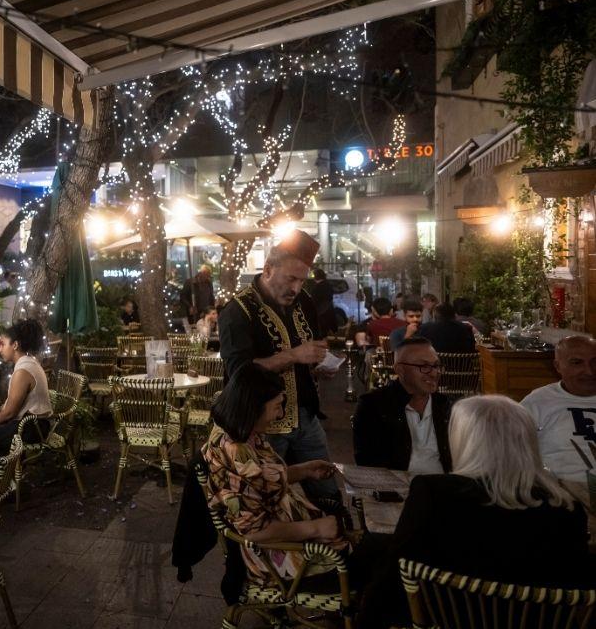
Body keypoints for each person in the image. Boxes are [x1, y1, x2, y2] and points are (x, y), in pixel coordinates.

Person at [358, 395, 594, 628]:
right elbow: (574, 587)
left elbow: (396, 570)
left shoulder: (433, 493)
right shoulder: (566, 508)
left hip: (448, 619)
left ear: (466, 441)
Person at [218, 230, 339, 500]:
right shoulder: (237, 311)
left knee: (328, 494)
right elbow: (239, 371)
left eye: (302, 280)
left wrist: (318, 364)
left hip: (306, 417)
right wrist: (294, 356)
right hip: (262, 426)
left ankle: (335, 534)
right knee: (261, 497)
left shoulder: (303, 301)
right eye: (290, 278)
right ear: (268, 269)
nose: (296, 288)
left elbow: (312, 347)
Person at [202, 362, 348, 583]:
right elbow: (254, 531)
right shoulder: (237, 452)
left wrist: (304, 470)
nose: (280, 414)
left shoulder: (244, 431)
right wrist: (316, 528)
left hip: (290, 533)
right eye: (277, 406)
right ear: (253, 407)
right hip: (277, 557)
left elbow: (259, 481)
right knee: (374, 564)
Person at [352, 338, 453, 474]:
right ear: (400, 370)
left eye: (436, 365)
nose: (434, 373)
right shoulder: (374, 406)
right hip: (397, 489)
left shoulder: (446, 406)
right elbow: (368, 462)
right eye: (424, 366)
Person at [0, 319, 53, 477]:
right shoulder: (29, 363)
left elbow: (9, 412)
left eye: (3, 344)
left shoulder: (23, 370)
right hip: (33, 424)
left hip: (33, 428)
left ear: (15, 345)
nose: (0, 349)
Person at [520, 335, 596, 483]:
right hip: (558, 493)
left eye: (595, 362)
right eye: (577, 362)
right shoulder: (537, 402)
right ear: (557, 366)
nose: (589, 371)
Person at [310, 268, 337, 335]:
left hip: (322, 317)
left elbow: (315, 301)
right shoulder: (328, 285)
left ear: (316, 276)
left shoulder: (318, 288)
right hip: (328, 314)